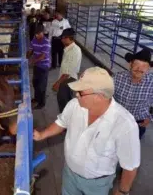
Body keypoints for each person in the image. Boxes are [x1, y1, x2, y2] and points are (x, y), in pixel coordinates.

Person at [34, 67, 140, 195]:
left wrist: (123, 191)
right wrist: (41, 135)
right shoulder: (74, 105)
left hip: (98, 185)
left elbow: (130, 165)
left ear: (99, 96)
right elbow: (61, 122)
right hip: (70, 175)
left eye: (81, 92)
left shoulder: (124, 124)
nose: (76, 94)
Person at [113, 48, 153, 139]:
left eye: (144, 66)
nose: (139, 69)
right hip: (116, 120)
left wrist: (150, 117)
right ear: (130, 64)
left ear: (148, 68)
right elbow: (107, 96)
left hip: (138, 123)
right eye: (137, 64)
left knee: (130, 149)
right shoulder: (117, 77)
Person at [54, 28, 82, 113]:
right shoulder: (68, 49)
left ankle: (65, 122)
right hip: (65, 79)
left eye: (63, 38)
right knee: (65, 101)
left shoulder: (74, 51)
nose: (62, 40)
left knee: (64, 102)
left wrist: (58, 83)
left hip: (68, 80)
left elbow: (67, 72)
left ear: (68, 38)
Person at [27, 24, 51, 110]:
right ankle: (36, 98)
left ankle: (41, 103)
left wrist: (32, 61)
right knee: (35, 82)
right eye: (35, 34)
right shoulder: (34, 39)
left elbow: (43, 56)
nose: (36, 35)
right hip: (37, 65)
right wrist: (26, 57)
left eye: (38, 34)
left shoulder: (46, 42)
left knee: (42, 86)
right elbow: (30, 50)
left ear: (42, 33)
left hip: (44, 66)